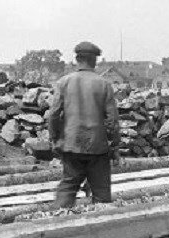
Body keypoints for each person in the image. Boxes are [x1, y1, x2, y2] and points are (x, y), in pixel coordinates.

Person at [47, 41, 120, 208]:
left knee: (68, 186)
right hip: (97, 147)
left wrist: (55, 139)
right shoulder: (103, 84)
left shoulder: (63, 82)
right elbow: (113, 121)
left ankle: (58, 224)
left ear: (77, 59)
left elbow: (53, 115)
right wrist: (114, 145)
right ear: (94, 61)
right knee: (101, 193)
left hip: (71, 144)